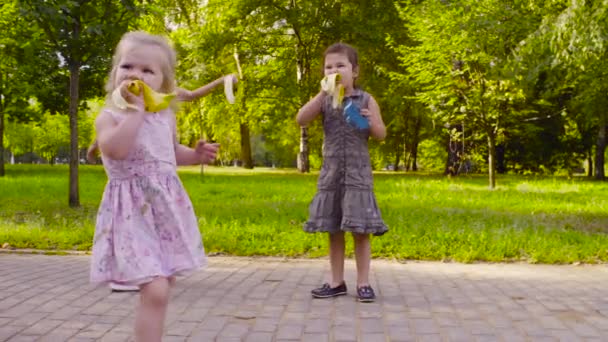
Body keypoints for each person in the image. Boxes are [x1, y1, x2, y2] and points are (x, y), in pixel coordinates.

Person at [89, 31, 222, 342]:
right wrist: (136, 112)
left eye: (147, 70)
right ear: (115, 74)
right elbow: (116, 150)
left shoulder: (164, 117)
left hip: (163, 210)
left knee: (163, 287)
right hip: (131, 214)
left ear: (164, 83)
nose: (136, 74)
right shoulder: (108, 117)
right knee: (157, 289)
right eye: (128, 66)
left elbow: (170, 153)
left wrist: (196, 154)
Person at [296, 43, 388, 303]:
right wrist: (320, 93)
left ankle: (363, 283)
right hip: (332, 174)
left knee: (361, 231)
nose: (334, 70)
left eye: (340, 65)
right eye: (328, 67)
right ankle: (336, 282)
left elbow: (381, 134)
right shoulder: (325, 100)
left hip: (358, 176)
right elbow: (301, 119)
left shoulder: (366, 99)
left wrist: (371, 122)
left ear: (354, 71)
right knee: (334, 230)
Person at [86, 77, 236, 164]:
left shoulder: (167, 97)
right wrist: (95, 145)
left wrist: (222, 81)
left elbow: (192, 95)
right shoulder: (127, 107)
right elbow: (110, 126)